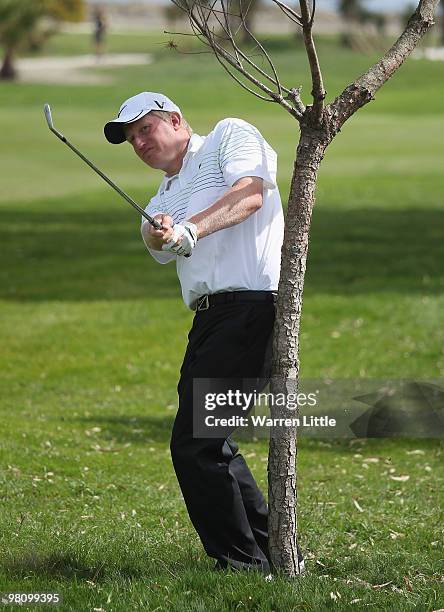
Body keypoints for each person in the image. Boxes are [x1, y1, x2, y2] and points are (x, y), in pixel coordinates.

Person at [104, 92, 303, 574]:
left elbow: (251, 194)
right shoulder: (159, 199)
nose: (139, 142)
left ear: (175, 119)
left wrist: (189, 229)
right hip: (210, 320)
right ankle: (267, 553)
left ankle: (242, 564)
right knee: (209, 440)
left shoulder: (227, 136)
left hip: (252, 307)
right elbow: (156, 242)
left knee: (196, 443)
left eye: (145, 128)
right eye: (131, 138)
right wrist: (156, 233)